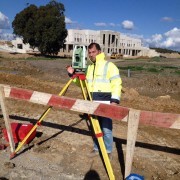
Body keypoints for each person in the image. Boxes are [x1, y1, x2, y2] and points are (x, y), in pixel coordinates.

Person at [67, 43, 122, 158]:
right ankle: (97, 148)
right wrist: (72, 75)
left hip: (106, 103)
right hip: (92, 103)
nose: (91, 55)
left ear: (99, 52)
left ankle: (107, 151)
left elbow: (116, 83)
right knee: (94, 128)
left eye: (93, 52)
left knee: (106, 129)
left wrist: (115, 100)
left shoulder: (109, 66)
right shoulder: (90, 68)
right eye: (90, 52)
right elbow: (82, 83)